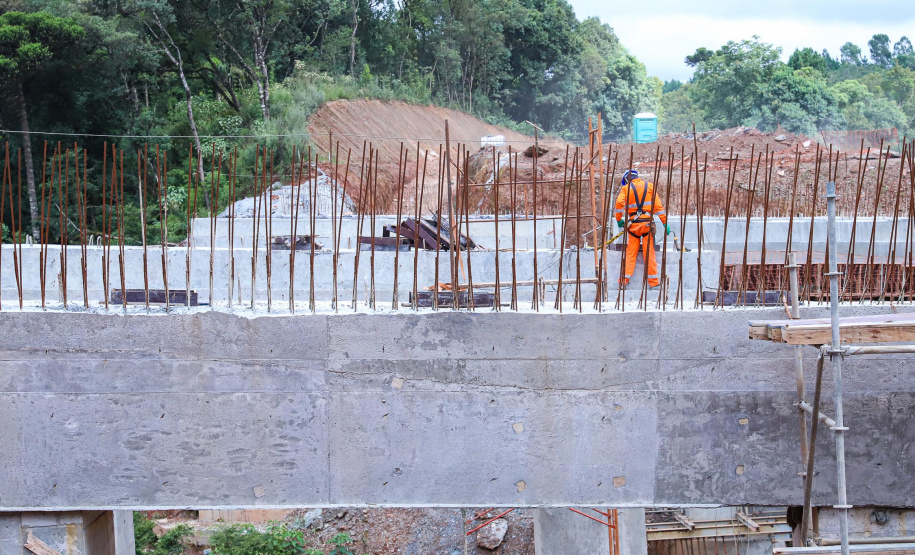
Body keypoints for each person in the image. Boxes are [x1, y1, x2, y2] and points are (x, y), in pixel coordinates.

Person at [614, 169, 670, 289]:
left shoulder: (626, 188)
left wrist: (619, 219)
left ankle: (623, 281)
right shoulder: (649, 186)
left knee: (630, 254)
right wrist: (665, 222)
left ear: (626, 180)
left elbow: (619, 203)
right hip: (647, 224)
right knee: (649, 254)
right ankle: (654, 283)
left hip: (633, 225)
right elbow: (658, 206)